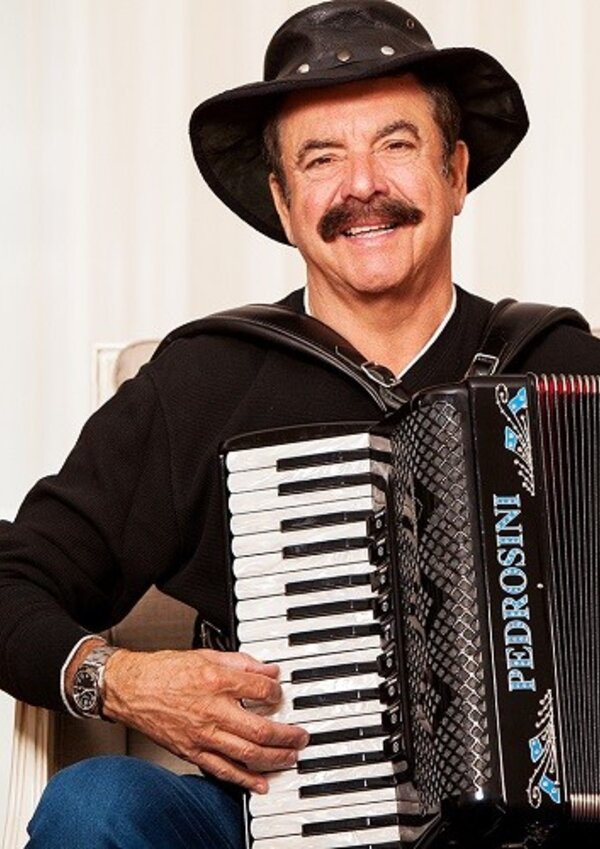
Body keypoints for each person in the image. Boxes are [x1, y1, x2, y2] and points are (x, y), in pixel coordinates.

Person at [1, 1, 599, 847]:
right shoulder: (203, 380)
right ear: (283, 203)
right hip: (270, 823)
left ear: (456, 173)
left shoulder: (565, 366)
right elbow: (13, 581)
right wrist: (123, 679)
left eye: (396, 145)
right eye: (322, 158)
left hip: (546, 828)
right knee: (94, 806)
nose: (362, 186)